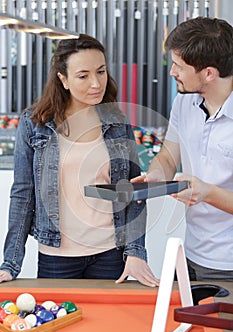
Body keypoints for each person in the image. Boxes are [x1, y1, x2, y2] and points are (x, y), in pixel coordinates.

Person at [0, 34, 159, 287]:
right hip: (57, 258)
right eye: (83, 75)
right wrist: (10, 263)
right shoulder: (35, 124)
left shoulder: (118, 124)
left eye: (101, 72)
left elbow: (134, 192)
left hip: (110, 254)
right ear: (63, 79)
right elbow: (22, 193)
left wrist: (135, 252)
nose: (96, 83)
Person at [132, 17, 233, 281]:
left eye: (179, 65)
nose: (171, 72)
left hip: (228, 264)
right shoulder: (184, 103)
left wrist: (207, 193)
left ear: (209, 73)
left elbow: (206, 192)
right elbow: (168, 155)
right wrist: (157, 175)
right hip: (190, 255)